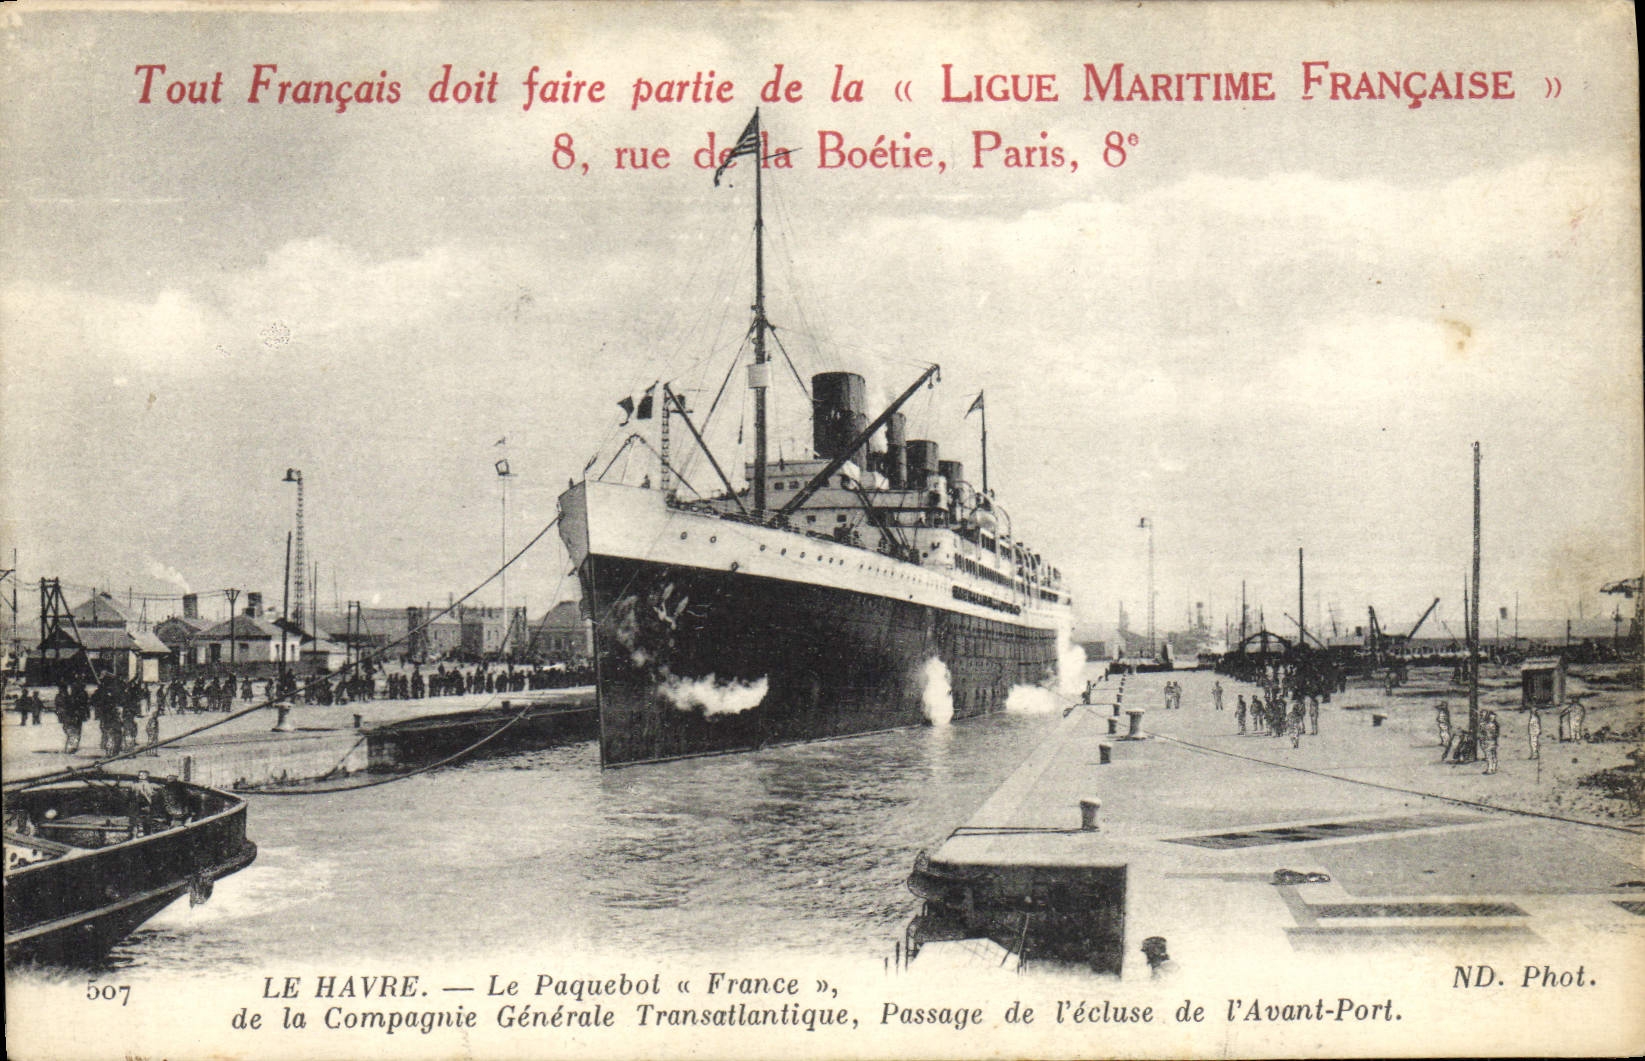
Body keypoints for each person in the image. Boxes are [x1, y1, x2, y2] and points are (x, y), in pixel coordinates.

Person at [1482, 710, 1500, 775]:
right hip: (1493, 741)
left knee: (1489, 756)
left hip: (1489, 741)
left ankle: (1490, 769)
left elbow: (1485, 733)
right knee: (1493, 755)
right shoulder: (1495, 725)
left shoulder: (1487, 725)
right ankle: (1493, 768)